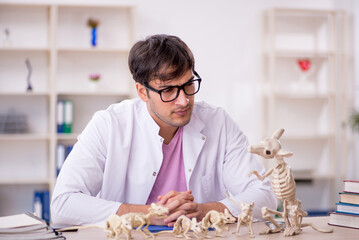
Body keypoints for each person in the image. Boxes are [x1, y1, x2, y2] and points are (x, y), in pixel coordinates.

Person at [51, 34, 277, 226]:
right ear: (142, 92)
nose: (184, 100)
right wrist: (150, 215)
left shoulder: (218, 122)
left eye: (188, 84)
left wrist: (203, 210)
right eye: (168, 90)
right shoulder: (109, 125)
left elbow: (265, 195)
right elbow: (63, 204)